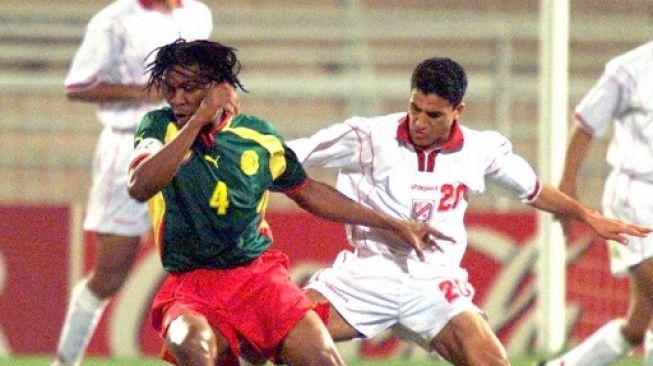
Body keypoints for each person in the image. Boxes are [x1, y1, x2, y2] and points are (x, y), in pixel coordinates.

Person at [284, 56, 651, 366]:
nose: (420, 121)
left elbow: (534, 189)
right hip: (367, 276)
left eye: (433, 114)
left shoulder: (482, 150)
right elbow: (291, 153)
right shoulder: (367, 137)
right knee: (278, 333)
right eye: (414, 108)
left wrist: (588, 215)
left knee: (493, 362)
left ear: (458, 110)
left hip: (435, 285)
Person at [127, 38, 446, 366]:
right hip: (191, 287)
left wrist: (393, 224)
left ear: (214, 87)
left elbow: (308, 191)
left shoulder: (259, 137)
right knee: (194, 348)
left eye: (189, 89)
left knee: (325, 361)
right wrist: (197, 121)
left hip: (258, 281)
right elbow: (140, 186)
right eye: (170, 89)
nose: (178, 99)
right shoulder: (158, 127)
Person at [55, 1, 212, 365]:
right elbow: (78, 85)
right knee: (110, 274)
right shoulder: (114, 21)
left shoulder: (198, 14)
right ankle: (64, 361)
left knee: (209, 261)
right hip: (129, 143)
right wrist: (150, 91)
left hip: (185, 144)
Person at [539, 42, 653, 366]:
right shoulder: (630, 69)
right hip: (636, 198)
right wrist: (567, 185)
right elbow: (586, 124)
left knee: (638, 323)